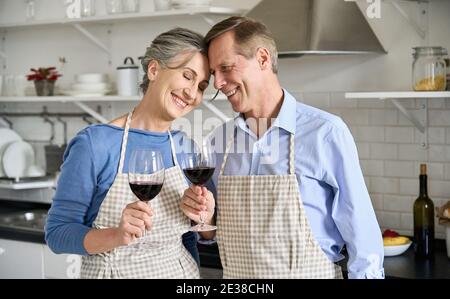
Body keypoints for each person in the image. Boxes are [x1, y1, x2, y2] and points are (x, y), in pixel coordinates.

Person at [180, 16, 384, 279]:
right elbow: (211, 230)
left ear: (263, 59)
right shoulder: (219, 142)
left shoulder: (324, 133)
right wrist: (203, 218)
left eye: (226, 68)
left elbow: (362, 234)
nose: (217, 83)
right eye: (214, 73)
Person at [45, 27, 210, 279]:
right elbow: (57, 234)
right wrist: (116, 235)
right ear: (154, 70)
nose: (192, 93)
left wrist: (203, 216)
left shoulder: (185, 148)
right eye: (187, 76)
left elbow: (187, 238)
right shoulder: (95, 144)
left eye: (201, 86)